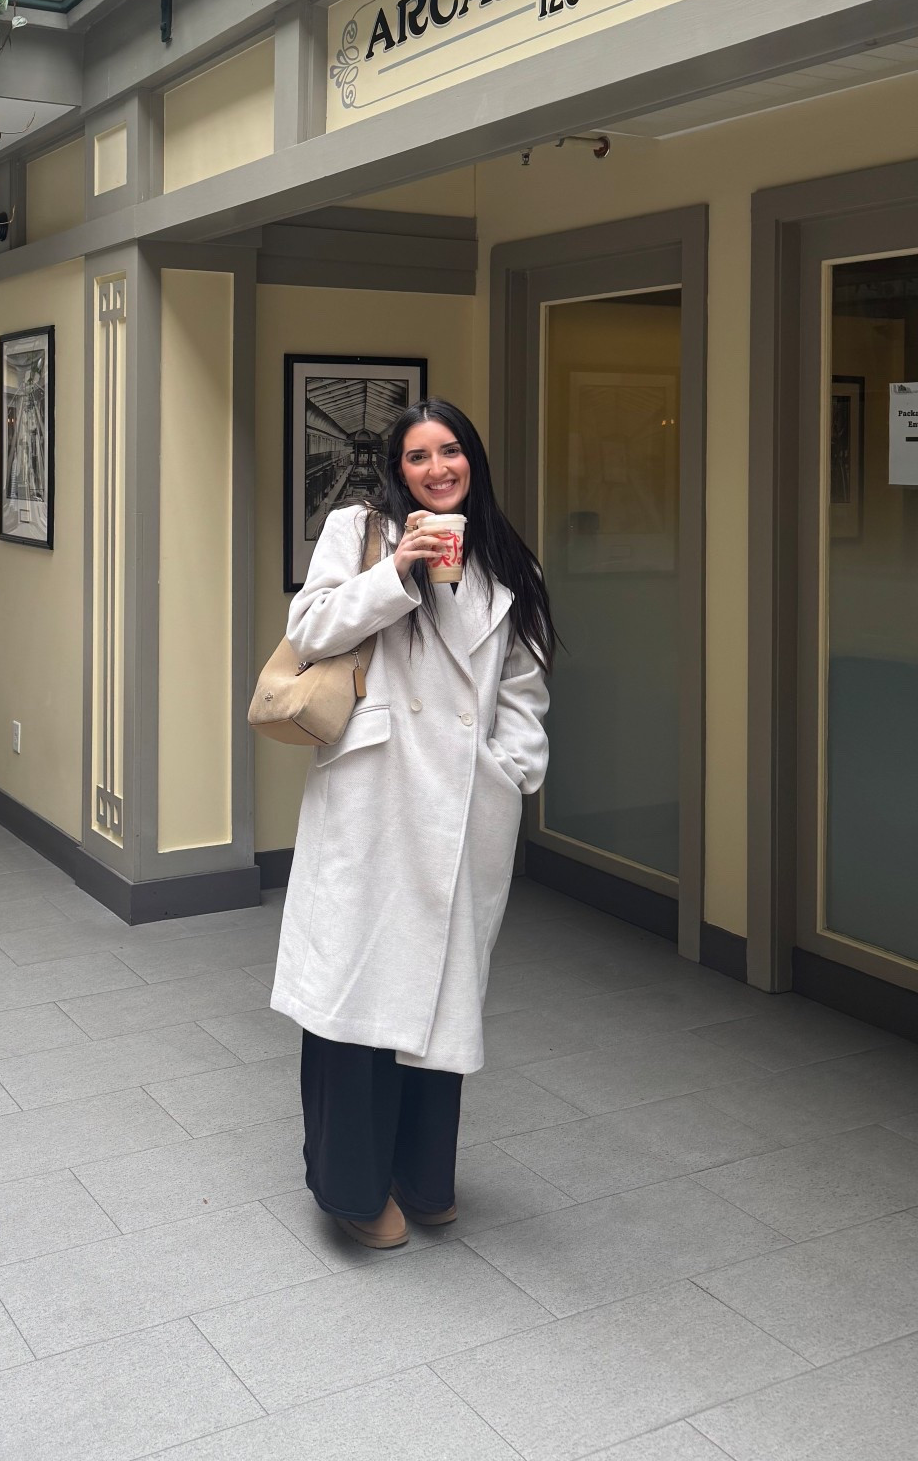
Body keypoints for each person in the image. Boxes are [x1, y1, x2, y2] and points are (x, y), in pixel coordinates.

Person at [270, 398, 555, 1250]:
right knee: (359, 989)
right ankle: (352, 1190)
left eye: (451, 451)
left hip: (465, 804)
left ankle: (424, 1175)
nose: (438, 468)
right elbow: (308, 629)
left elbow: (524, 685)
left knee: (440, 992)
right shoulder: (359, 532)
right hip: (377, 798)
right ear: (398, 470)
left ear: (473, 460)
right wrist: (397, 572)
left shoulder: (507, 558)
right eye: (419, 456)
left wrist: (510, 769)